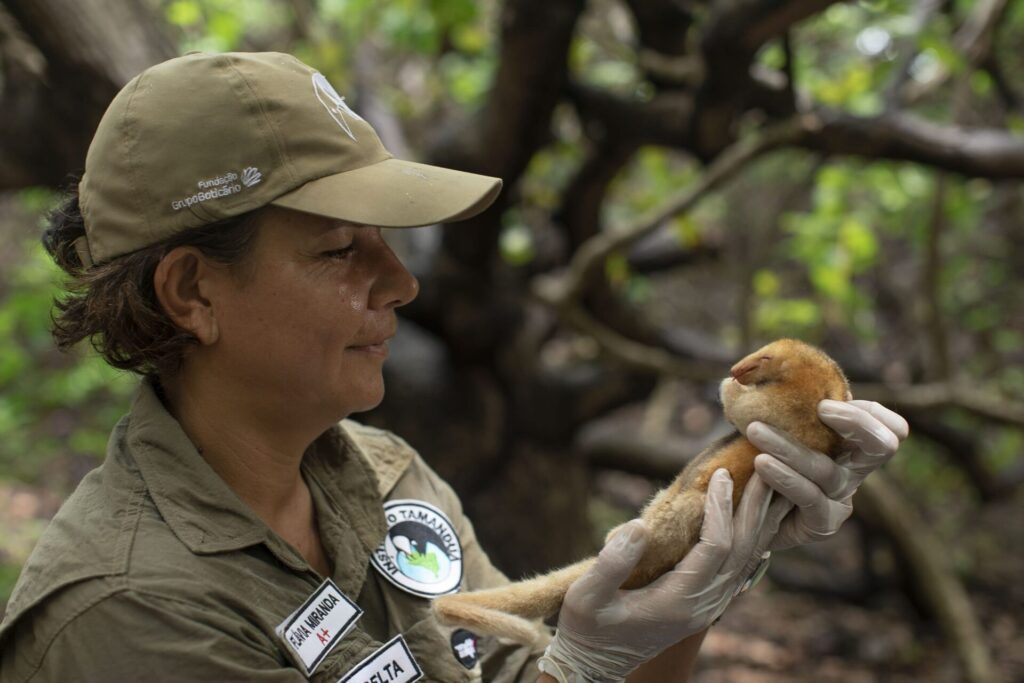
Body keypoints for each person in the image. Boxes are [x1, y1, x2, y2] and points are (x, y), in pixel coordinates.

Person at [0, 52, 908, 683]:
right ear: (194, 291)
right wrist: (595, 658)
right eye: (338, 251)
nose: (398, 283)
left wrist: (703, 566)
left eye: (388, 245)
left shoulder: (384, 475)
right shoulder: (131, 614)